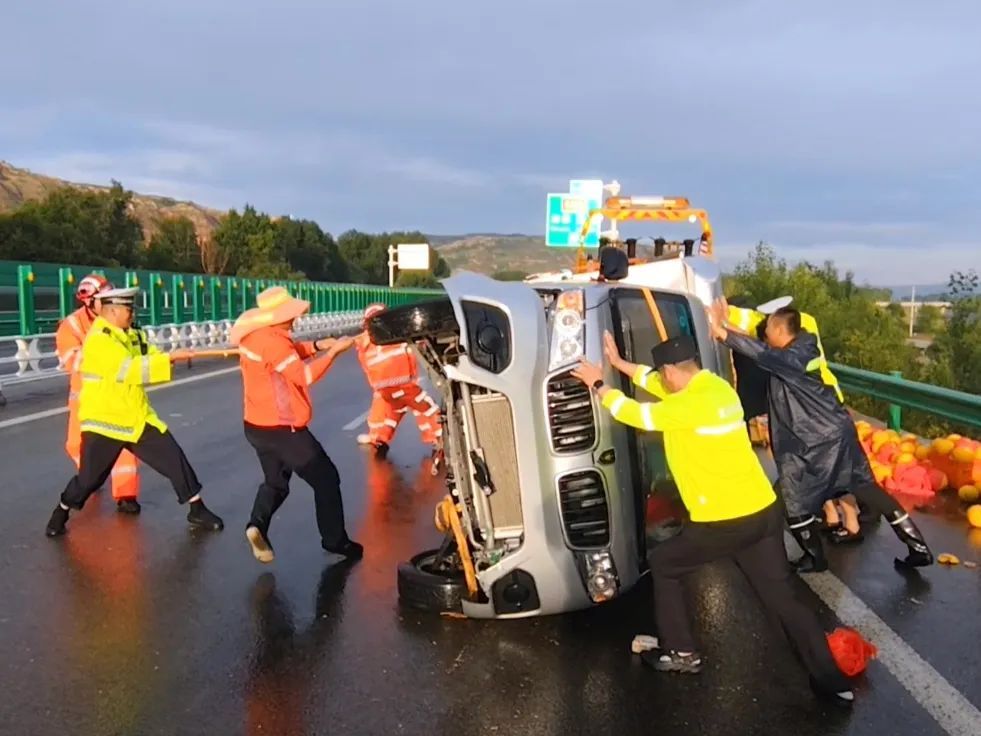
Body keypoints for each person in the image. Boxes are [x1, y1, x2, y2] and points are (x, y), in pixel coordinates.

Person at [571, 332, 855, 705]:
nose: (662, 379)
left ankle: (682, 652)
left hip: (725, 519)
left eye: (664, 374)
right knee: (782, 598)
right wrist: (622, 364)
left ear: (674, 370)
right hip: (761, 511)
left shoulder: (689, 406)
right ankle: (833, 683)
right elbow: (654, 381)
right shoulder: (715, 388)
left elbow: (636, 413)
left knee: (665, 563)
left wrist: (597, 383)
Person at [709, 299, 933, 572]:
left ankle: (814, 557)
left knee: (793, 497)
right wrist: (725, 326)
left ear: (780, 331)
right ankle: (918, 546)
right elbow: (762, 348)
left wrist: (720, 332)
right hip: (835, 434)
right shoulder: (801, 345)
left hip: (810, 440)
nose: (763, 333)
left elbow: (760, 352)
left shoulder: (791, 359)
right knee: (866, 488)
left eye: (767, 328)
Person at [45, 287, 224, 537]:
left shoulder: (131, 333)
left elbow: (148, 355)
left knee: (174, 458)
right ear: (113, 311)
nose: (133, 313)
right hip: (104, 422)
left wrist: (169, 357)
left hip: (136, 417)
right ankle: (61, 511)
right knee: (89, 480)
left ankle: (197, 508)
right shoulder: (99, 340)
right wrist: (170, 359)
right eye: (129, 309)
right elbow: (130, 370)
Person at [230, 286, 362, 565]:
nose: (295, 319)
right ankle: (335, 540)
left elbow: (284, 355)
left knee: (276, 482)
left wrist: (315, 346)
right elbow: (304, 376)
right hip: (283, 429)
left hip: (256, 426)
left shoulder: (254, 337)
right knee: (326, 479)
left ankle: (257, 525)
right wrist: (334, 353)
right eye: (290, 314)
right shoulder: (275, 342)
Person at [55, 274, 141, 513]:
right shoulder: (71, 326)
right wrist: (101, 351)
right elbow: (72, 360)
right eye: (103, 299)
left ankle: (126, 495)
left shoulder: (119, 322)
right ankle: (92, 477)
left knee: (122, 444)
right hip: (84, 398)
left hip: (116, 394)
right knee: (75, 445)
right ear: (89, 302)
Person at [354, 303, 442, 460]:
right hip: (404, 384)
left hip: (384, 389)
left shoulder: (364, 342)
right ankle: (438, 438)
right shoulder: (397, 335)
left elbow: (366, 367)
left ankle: (379, 438)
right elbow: (419, 345)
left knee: (393, 412)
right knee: (427, 408)